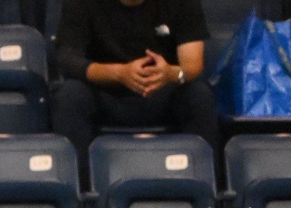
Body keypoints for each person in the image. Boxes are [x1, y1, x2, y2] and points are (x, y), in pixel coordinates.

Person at [49, 0, 218, 157]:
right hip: (104, 93)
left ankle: (204, 176)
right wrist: (118, 73)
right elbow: (68, 59)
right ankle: (79, 178)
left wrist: (170, 73)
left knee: (199, 95)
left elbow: (192, 64)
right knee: (69, 95)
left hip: (163, 91)